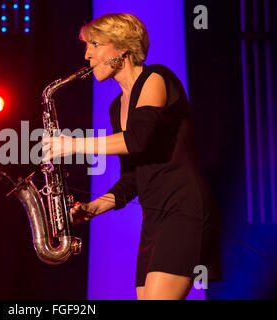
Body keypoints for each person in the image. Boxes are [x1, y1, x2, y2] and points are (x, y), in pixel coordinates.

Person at [42, 13, 222, 300]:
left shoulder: (156, 78)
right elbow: (131, 179)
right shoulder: (117, 107)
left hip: (184, 210)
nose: (87, 54)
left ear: (122, 48)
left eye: (95, 44)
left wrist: (73, 144)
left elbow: (136, 140)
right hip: (154, 219)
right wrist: (93, 208)